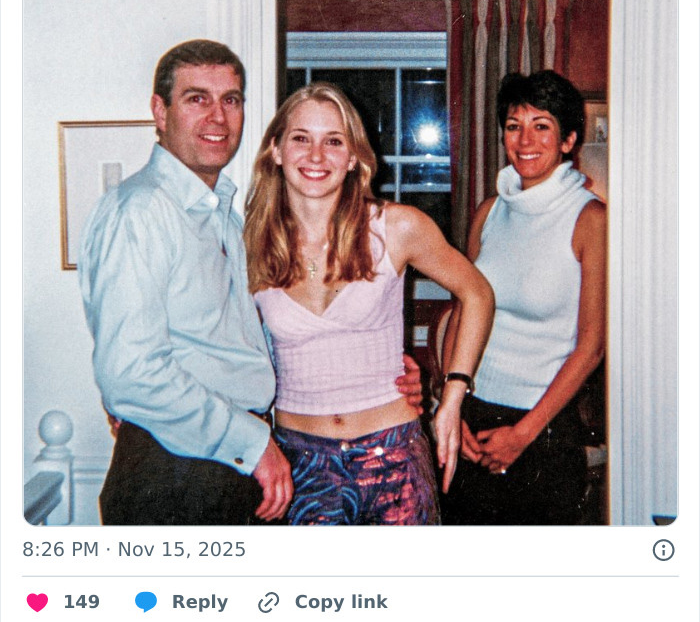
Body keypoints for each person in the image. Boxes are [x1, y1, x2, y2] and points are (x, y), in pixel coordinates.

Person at [79, 40, 421, 525]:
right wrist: (253, 441)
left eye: (231, 100)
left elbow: (246, 341)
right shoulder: (140, 211)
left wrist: (387, 370)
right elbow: (131, 374)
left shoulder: (228, 217)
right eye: (197, 98)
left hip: (236, 466)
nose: (217, 117)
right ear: (160, 110)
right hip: (178, 474)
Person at [244, 82, 494, 525]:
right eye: (301, 138)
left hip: (393, 455)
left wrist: (453, 395)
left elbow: (476, 292)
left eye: (334, 141)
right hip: (298, 465)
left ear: (354, 157)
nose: (316, 156)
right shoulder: (249, 243)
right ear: (276, 151)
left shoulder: (396, 227)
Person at [442, 70, 606, 525]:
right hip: (472, 416)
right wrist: (449, 405)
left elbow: (591, 346)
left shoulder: (590, 219)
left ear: (568, 140)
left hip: (544, 428)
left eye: (542, 126)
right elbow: (461, 315)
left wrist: (524, 433)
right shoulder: (489, 211)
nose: (525, 139)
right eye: (514, 125)